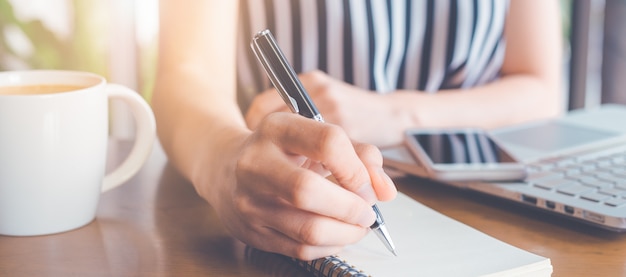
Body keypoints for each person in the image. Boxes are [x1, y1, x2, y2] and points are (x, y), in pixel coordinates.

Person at [153, 0, 562, 261]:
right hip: (285, 195)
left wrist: (392, 114)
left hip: (488, 200)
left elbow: (541, 90)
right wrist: (224, 160)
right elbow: (187, 75)